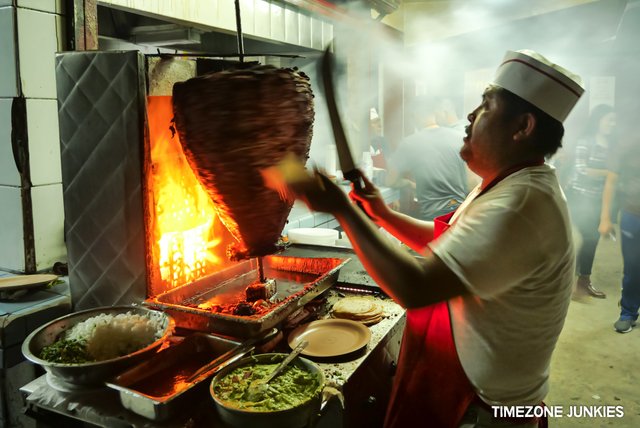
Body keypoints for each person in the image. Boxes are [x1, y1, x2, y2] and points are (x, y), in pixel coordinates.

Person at [278, 49, 584, 427]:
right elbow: (447, 241)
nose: (471, 115)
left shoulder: (521, 203)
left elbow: (416, 287)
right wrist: (381, 213)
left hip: (484, 411)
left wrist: (343, 209)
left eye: (486, 105)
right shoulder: (511, 183)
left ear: (522, 127)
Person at [386, 95, 471, 221]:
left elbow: (390, 181)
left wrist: (406, 183)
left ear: (415, 116)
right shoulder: (459, 138)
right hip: (459, 213)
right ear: (434, 113)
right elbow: (472, 182)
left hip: (432, 217)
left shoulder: (409, 143)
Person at [565, 104, 617, 298]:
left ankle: (583, 281)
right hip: (578, 196)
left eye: (614, 121)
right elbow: (581, 169)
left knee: (591, 240)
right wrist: (610, 174)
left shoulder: (612, 145)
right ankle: (569, 281)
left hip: (598, 199)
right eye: (609, 120)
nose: (613, 124)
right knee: (583, 237)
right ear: (598, 121)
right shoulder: (585, 141)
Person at [599, 132, 640, 333]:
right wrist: (605, 217)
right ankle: (628, 313)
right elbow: (611, 181)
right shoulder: (629, 143)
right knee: (633, 267)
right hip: (633, 215)